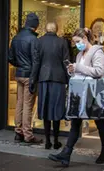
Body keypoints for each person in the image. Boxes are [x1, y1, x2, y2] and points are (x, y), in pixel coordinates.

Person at [48, 28, 104, 166]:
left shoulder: (97, 52)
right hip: (82, 92)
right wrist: (72, 71)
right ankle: (66, 154)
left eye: (78, 41)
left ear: (85, 38)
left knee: (100, 122)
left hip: (94, 92)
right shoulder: (79, 54)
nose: (77, 45)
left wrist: (78, 68)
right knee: (76, 122)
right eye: (75, 43)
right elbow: (79, 72)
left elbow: (99, 71)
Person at [29, 22, 69, 150]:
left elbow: (36, 63)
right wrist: (69, 80)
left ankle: (47, 141)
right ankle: (56, 140)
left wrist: (32, 79)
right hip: (59, 79)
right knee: (57, 110)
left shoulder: (39, 42)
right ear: (56, 30)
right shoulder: (62, 42)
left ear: (45, 30)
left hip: (43, 78)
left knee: (45, 109)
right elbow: (66, 62)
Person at [8, 13, 43, 144]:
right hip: (29, 76)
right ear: (36, 25)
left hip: (19, 74)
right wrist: (34, 78)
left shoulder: (16, 38)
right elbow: (36, 61)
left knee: (19, 103)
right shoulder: (33, 40)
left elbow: (10, 58)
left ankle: (18, 132)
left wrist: (20, 66)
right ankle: (28, 135)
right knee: (28, 105)